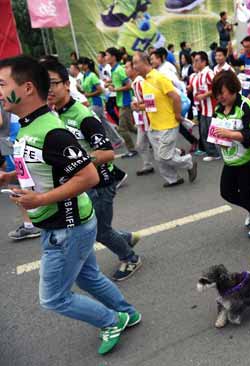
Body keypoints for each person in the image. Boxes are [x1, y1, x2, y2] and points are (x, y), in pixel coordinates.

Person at [0, 55, 141, 355]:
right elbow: (46, 165)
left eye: (2, 84)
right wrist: (11, 176)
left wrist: (39, 199)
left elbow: (88, 175)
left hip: (67, 227)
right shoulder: (29, 125)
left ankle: (111, 320)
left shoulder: (52, 131)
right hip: (64, 224)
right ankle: (127, 312)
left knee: (52, 298)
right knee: (88, 275)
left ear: (26, 88)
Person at [43, 59, 143, 281]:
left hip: (101, 183)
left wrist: (77, 163)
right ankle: (126, 237)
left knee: (98, 231)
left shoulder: (82, 116)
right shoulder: (55, 113)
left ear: (67, 84)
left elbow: (107, 153)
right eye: (44, 84)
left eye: (53, 83)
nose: (48, 90)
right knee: (98, 226)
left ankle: (130, 257)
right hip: (85, 183)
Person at [210, 71, 250, 238]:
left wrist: (231, 134)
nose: (219, 97)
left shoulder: (247, 107)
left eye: (222, 93)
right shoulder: (219, 108)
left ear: (233, 88)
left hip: (249, 159)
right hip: (230, 159)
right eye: (217, 94)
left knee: (247, 194)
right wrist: (218, 140)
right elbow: (216, 131)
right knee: (226, 192)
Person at [132, 52, 198, 187]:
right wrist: (139, 107)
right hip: (154, 126)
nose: (134, 67)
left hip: (168, 124)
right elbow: (152, 104)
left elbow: (176, 97)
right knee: (159, 157)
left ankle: (188, 162)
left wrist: (178, 114)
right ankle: (173, 179)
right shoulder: (145, 81)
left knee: (163, 156)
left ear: (144, 62)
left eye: (135, 63)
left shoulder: (159, 77)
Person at [1, 104, 41, 240]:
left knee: (17, 186)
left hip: (10, 144)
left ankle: (31, 225)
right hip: (11, 142)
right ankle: (31, 223)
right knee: (20, 184)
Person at [78, 57, 125, 150]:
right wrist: (80, 89)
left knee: (93, 122)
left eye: (81, 64)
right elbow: (86, 90)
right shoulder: (85, 76)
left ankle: (102, 143)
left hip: (97, 102)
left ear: (86, 65)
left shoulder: (92, 76)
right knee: (104, 122)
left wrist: (89, 95)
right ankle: (117, 140)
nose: (79, 66)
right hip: (92, 102)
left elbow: (100, 90)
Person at [105, 47, 138, 157]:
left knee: (122, 129)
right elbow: (120, 84)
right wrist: (112, 85)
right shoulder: (113, 70)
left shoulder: (119, 69)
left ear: (113, 57)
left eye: (107, 55)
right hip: (121, 102)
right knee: (130, 127)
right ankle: (149, 140)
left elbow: (129, 85)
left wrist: (115, 89)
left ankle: (132, 149)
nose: (106, 57)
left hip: (126, 102)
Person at [126, 59, 155, 176]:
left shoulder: (139, 82)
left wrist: (138, 106)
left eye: (127, 67)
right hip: (142, 118)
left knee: (156, 144)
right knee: (142, 144)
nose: (125, 70)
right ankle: (147, 165)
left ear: (134, 69)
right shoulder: (135, 83)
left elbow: (149, 102)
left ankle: (178, 155)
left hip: (147, 118)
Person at [193, 51, 220, 161]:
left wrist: (204, 95)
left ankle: (215, 153)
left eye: (197, 61)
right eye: (194, 61)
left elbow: (216, 87)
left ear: (204, 62)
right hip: (203, 108)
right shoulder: (199, 74)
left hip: (211, 108)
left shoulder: (209, 73)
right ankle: (211, 152)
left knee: (210, 132)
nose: (194, 63)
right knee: (204, 132)